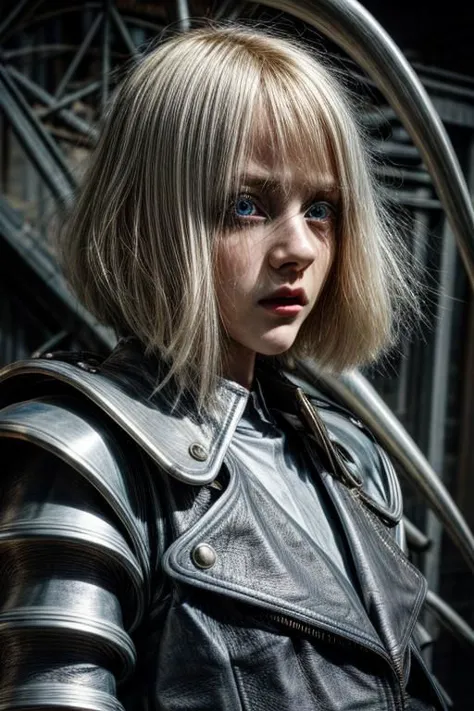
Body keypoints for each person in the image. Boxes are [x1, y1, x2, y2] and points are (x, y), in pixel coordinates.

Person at [0, 24, 446, 711]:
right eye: (248, 204)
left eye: (320, 207)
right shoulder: (86, 457)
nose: (298, 246)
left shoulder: (355, 464)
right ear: (155, 215)